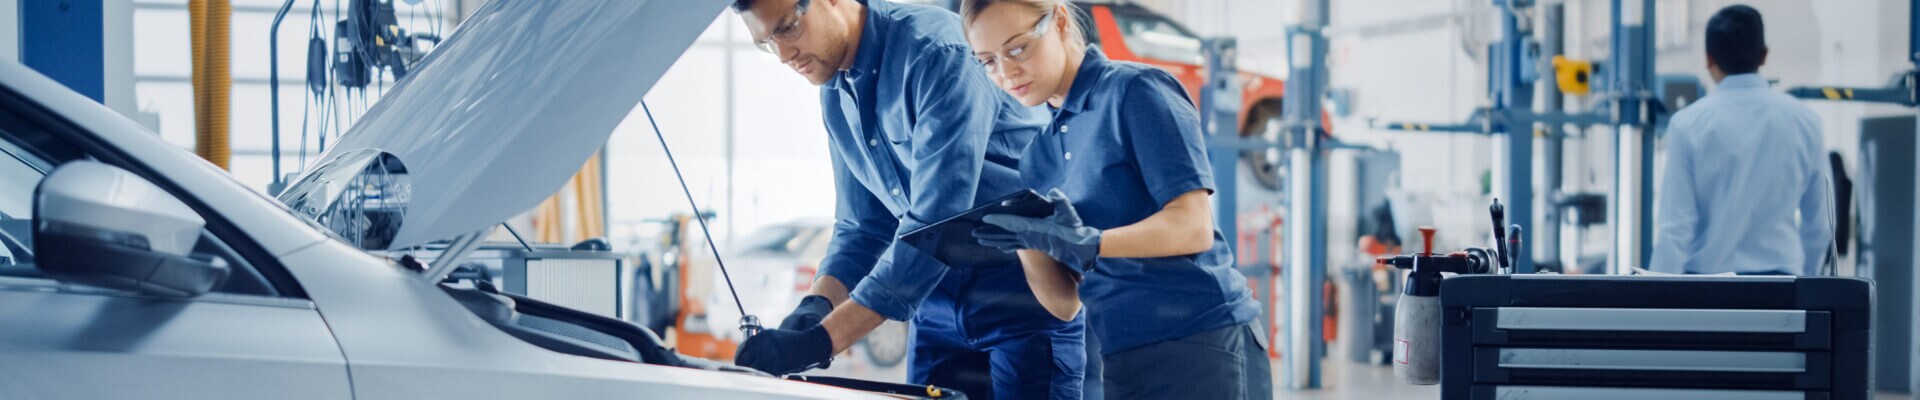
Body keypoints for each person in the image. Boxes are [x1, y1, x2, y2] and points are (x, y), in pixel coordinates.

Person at [728, 0, 1086, 399]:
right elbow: (861, 225)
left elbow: (937, 216)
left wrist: (822, 342)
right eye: (766, 42)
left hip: (1021, 291)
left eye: (789, 27)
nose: (783, 55)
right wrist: (816, 308)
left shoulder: (938, 53)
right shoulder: (835, 91)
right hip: (933, 302)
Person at [959, 1, 1271, 399]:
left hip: (1203, 337)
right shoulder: (1038, 155)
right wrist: (1026, 242)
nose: (1006, 73)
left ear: (1059, 20)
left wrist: (1091, 242)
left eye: (1018, 48)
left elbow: (1193, 227)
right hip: (1121, 351)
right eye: (988, 61)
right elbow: (1065, 303)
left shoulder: (1135, 91)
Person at [1649, 4, 1833, 276]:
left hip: (1709, 292)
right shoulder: (1806, 122)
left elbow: (1675, 229)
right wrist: (1806, 283)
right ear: (1764, 55)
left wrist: (1657, 300)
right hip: (1783, 290)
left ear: (1708, 59)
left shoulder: (1687, 125)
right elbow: (1820, 223)